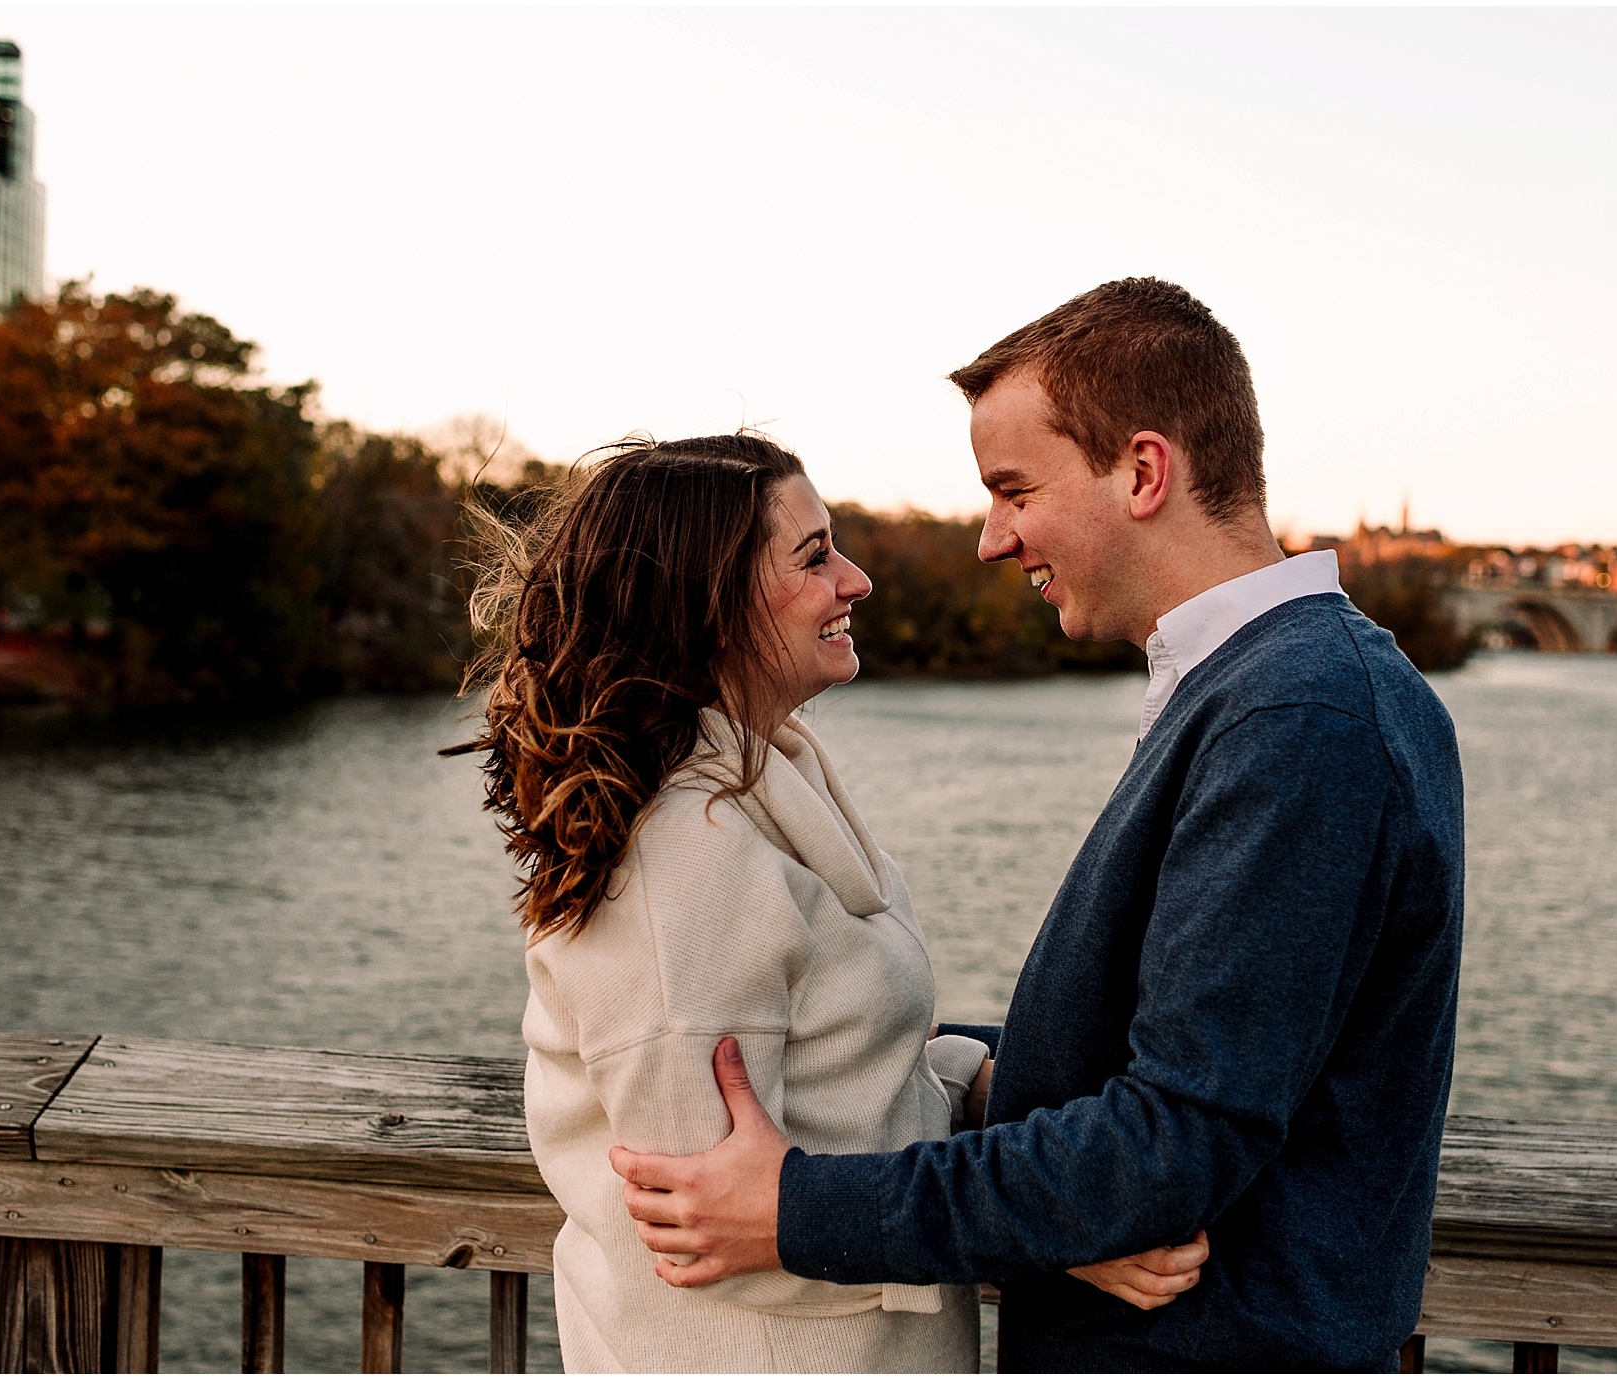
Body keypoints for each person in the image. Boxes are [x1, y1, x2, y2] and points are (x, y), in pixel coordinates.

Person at [605, 280, 1468, 1372]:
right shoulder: (1271, 689)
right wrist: (951, 1070)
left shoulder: (1300, 714)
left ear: (1143, 472)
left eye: (1013, 490)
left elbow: (1174, 1143)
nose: (990, 539)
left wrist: (797, 1209)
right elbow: (1193, 1055)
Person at [466, 433, 1209, 1372]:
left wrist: (973, 1084)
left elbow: (845, 1079)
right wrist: (1057, 1227)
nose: (854, 580)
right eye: (813, 556)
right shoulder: (681, 865)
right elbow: (710, 1222)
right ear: (708, 605)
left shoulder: (770, 784)